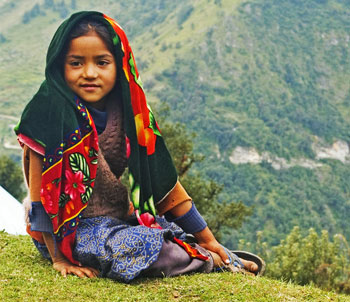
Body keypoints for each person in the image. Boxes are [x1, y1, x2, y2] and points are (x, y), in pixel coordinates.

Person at [15, 11, 263, 282]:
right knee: (139, 246)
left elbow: (166, 186)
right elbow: (41, 201)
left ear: (119, 64)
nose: (89, 73)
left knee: (161, 228)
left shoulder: (134, 114)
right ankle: (211, 261)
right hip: (71, 233)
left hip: (123, 219)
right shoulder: (45, 116)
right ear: (59, 66)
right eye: (76, 63)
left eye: (101, 62)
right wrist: (59, 259)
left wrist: (210, 238)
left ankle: (204, 250)